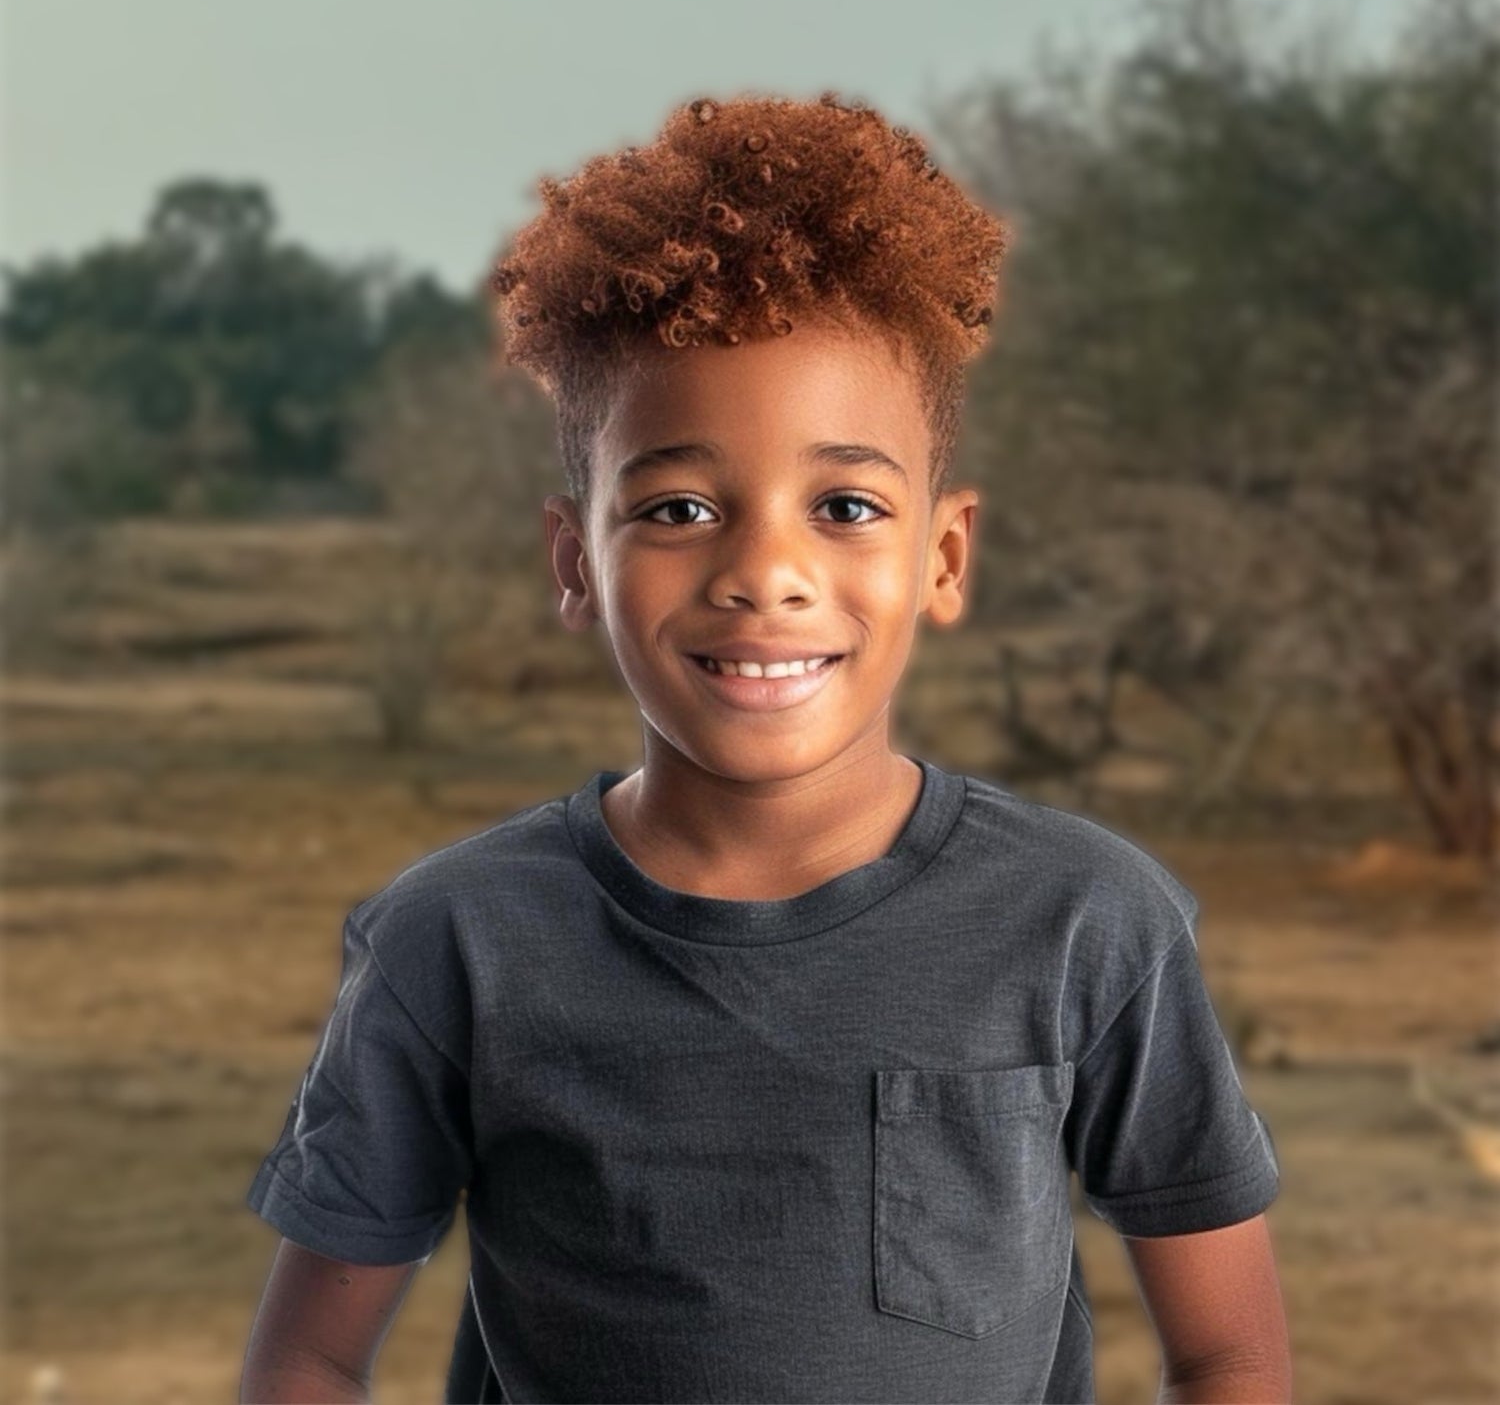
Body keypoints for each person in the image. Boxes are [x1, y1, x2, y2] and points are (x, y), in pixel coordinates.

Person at [240, 90, 1290, 1404]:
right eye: (681, 506)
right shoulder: (454, 940)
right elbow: (310, 1359)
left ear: (942, 556)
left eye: (845, 505)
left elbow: (1229, 1354)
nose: (765, 574)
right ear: (577, 562)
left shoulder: (1090, 921)